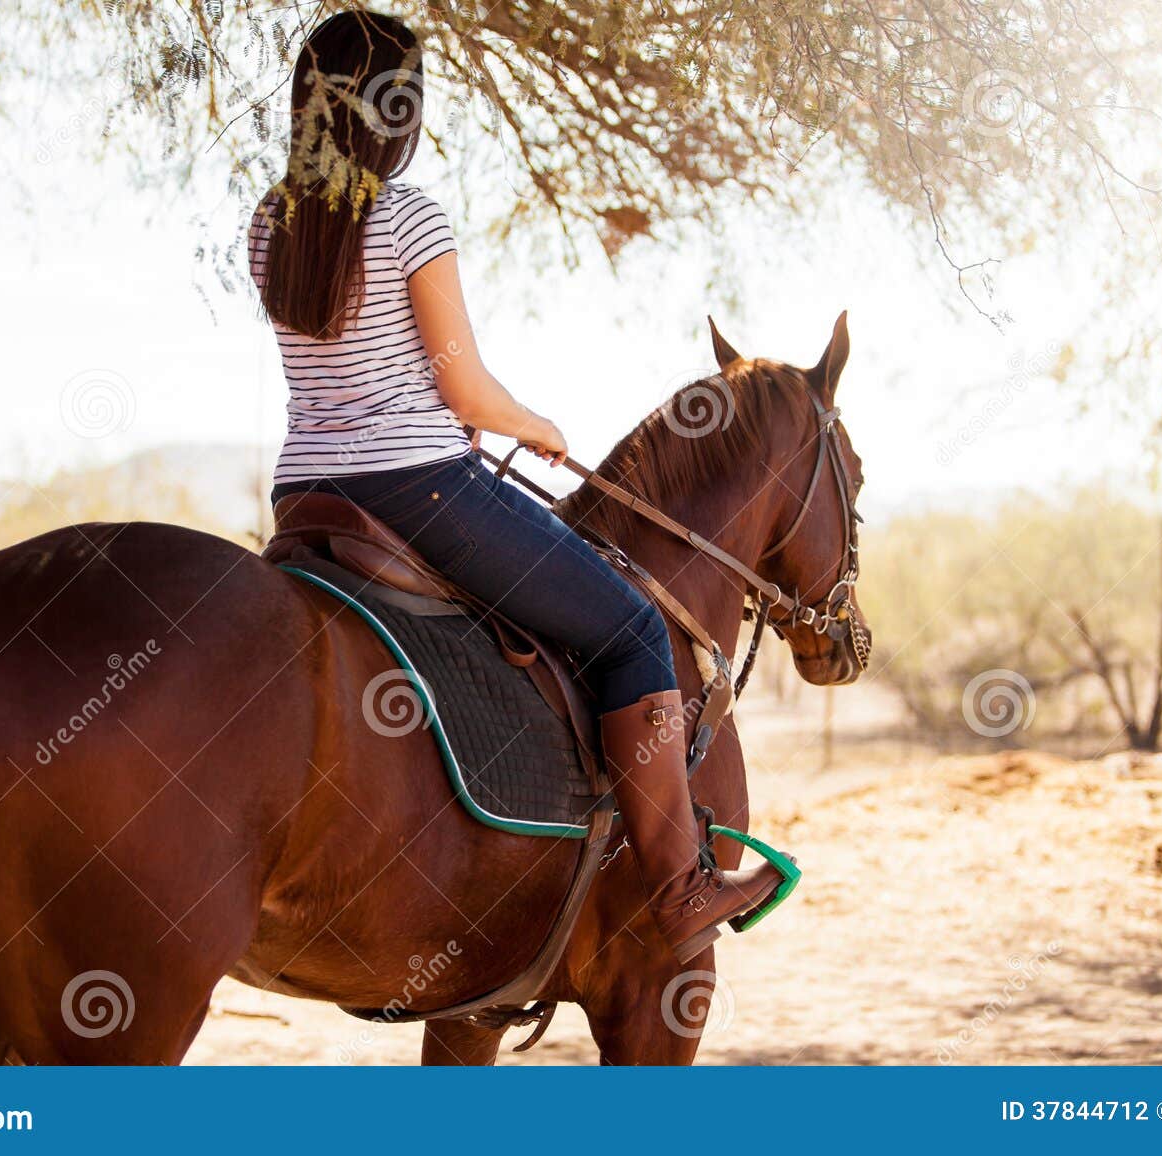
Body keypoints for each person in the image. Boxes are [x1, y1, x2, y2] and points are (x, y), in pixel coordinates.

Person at [249, 9, 781, 963]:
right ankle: (679, 883)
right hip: (418, 485)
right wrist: (531, 423)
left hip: (304, 495)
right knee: (626, 629)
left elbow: (342, 370)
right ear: (394, 110)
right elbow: (459, 382)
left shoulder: (273, 220)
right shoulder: (408, 214)